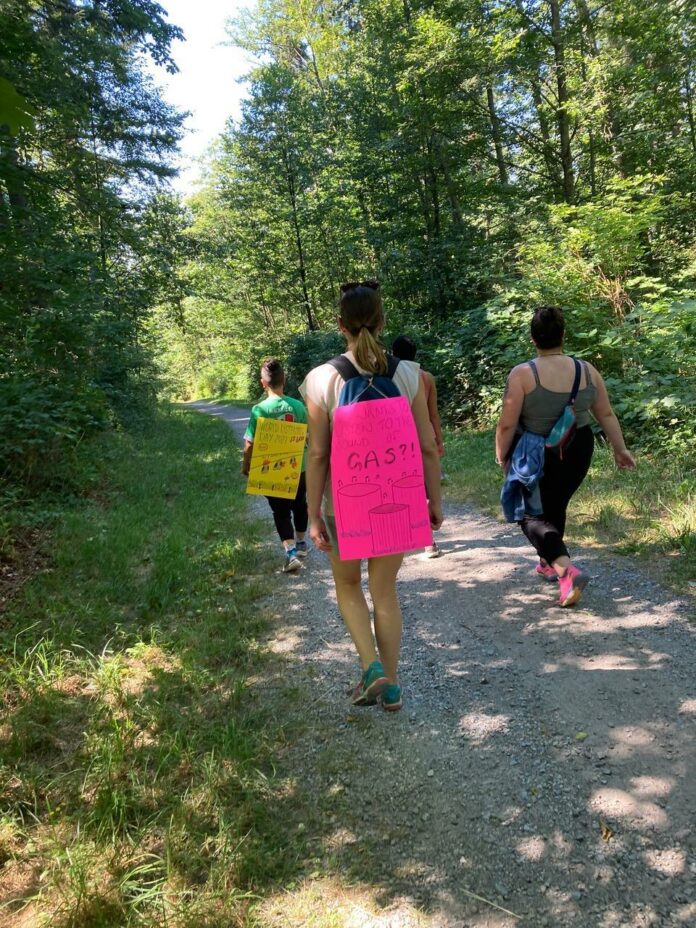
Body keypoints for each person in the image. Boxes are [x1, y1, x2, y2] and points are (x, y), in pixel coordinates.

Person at [300, 281, 443, 711]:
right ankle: (393, 685)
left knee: (347, 584)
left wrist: (312, 514)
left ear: (338, 325)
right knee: (385, 592)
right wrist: (432, 500)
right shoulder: (407, 373)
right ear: (382, 321)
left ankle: (370, 667)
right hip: (397, 498)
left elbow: (319, 452)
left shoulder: (320, 378)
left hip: (346, 499)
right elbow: (426, 444)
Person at [495, 305, 636, 607]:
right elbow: (606, 413)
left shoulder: (522, 374)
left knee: (528, 513)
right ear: (563, 335)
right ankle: (548, 563)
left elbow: (507, 422)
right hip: (578, 447)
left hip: (537, 453)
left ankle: (565, 569)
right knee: (555, 504)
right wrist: (620, 448)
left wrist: (501, 452)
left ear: (533, 338)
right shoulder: (587, 370)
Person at [242, 358, 309, 573]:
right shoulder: (298, 406)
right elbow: (309, 436)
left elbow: (250, 443)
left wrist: (247, 466)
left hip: (272, 469)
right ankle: (301, 543)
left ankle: (290, 553)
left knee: (280, 512)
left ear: (263, 383)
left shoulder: (259, 409)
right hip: (299, 467)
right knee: (300, 504)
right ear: (284, 380)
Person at [392, 334, 445, 558]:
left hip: (401, 439)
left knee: (408, 487)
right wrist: (438, 440)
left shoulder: (391, 377)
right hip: (425, 435)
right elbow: (433, 414)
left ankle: (413, 537)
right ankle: (428, 542)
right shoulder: (426, 377)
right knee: (423, 488)